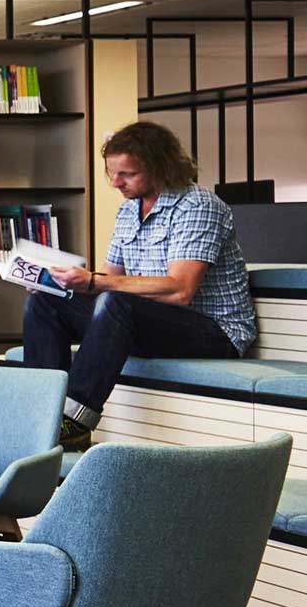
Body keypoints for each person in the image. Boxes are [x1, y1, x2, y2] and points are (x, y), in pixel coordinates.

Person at [26, 121, 256, 452]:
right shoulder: (127, 210)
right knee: (46, 302)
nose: (116, 183)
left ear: (161, 166)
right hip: (150, 324)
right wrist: (57, 282)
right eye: (112, 173)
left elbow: (180, 290)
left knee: (117, 303)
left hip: (214, 332)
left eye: (128, 174)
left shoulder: (198, 206)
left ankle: (73, 423)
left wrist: (95, 282)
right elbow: (108, 278)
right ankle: (40, 415)